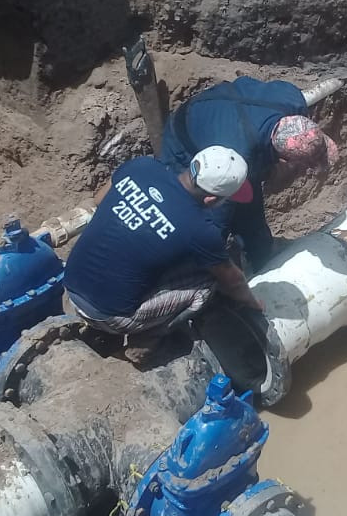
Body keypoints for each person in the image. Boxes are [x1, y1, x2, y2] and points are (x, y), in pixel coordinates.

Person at [63, 145, 263, 363]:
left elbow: (100, 200)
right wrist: (254, 303)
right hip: (109, 316)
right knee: (207, 284)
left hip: (70, 285)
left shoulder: (141, 166)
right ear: (212, 200)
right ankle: (143, 344)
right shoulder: (200, 230)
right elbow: (233, 282)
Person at [159, 76, 338, 271]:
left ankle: (260, 253)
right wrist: (216, 260)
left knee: (250, 206)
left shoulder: (292, 99)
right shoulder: (240, 155)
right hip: (187, 145)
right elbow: (216, 217)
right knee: (211, 219)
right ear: (284, 160)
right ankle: (198, 271)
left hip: (221, 118)